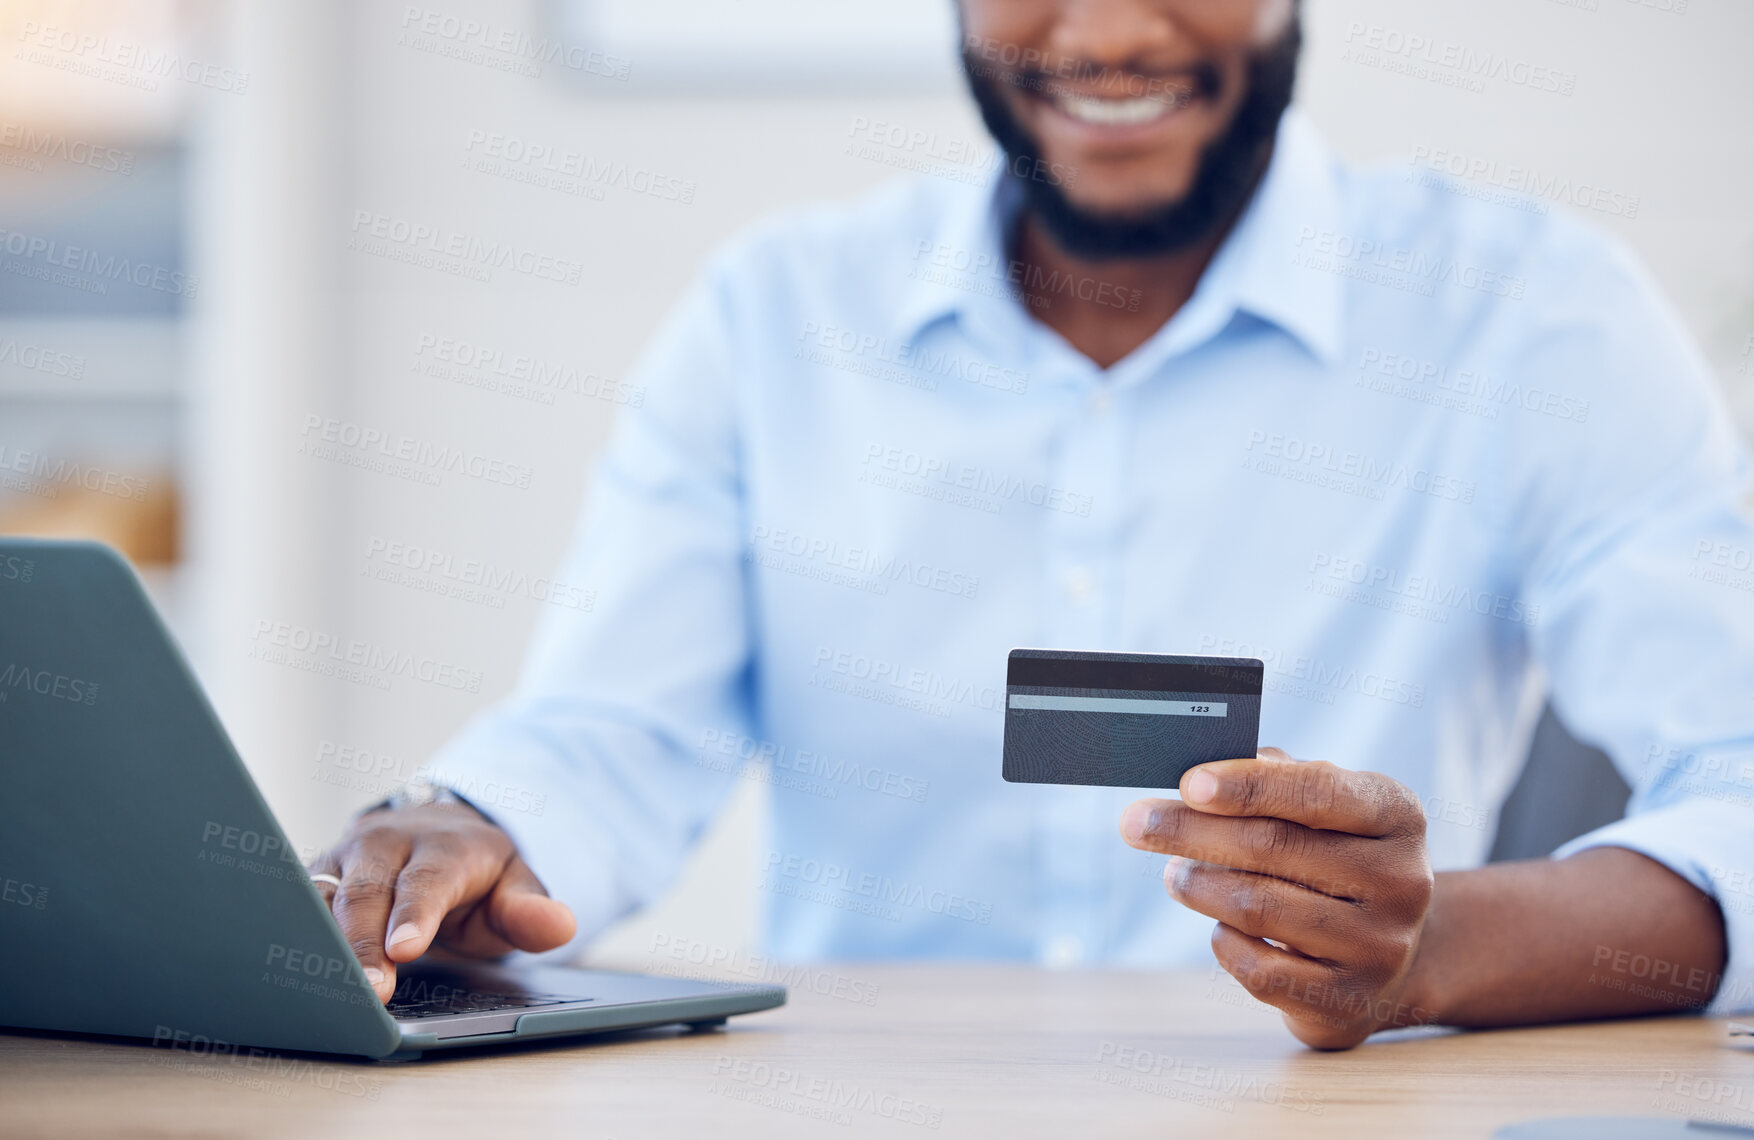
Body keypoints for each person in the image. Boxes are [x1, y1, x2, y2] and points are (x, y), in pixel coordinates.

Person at [309, 0, 1753, 1049]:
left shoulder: (1533, 316)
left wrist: (1435, 944)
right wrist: (464, 827)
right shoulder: (775, 315)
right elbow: (612, 728)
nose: (1108, 28)